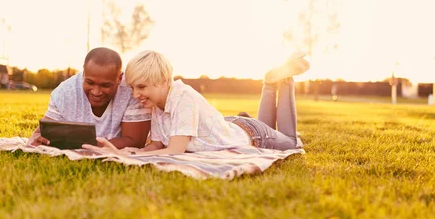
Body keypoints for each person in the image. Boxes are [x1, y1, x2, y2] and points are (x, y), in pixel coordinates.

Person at [83, 50, 309, 155]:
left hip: (254, 135)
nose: (135, 94)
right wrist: (131, 152)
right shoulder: (156, 104)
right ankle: (269, 84)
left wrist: (126, 155)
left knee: (291, 141)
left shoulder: (183, 98)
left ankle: (281, 81)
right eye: (132, 87)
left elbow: (174, 150)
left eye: (141, 87)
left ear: (163, 81)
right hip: (234, 126)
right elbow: (157, 145)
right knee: (265, 127)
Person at [28, 47, 151, 148]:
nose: (96, 92)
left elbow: (135, 142)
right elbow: (42, 132)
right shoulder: (65, 92)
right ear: (83, 73)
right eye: (90, 83)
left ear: (119, 78)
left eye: (105, 85)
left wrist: (80, 145)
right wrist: (37, 139)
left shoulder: (132, 89)